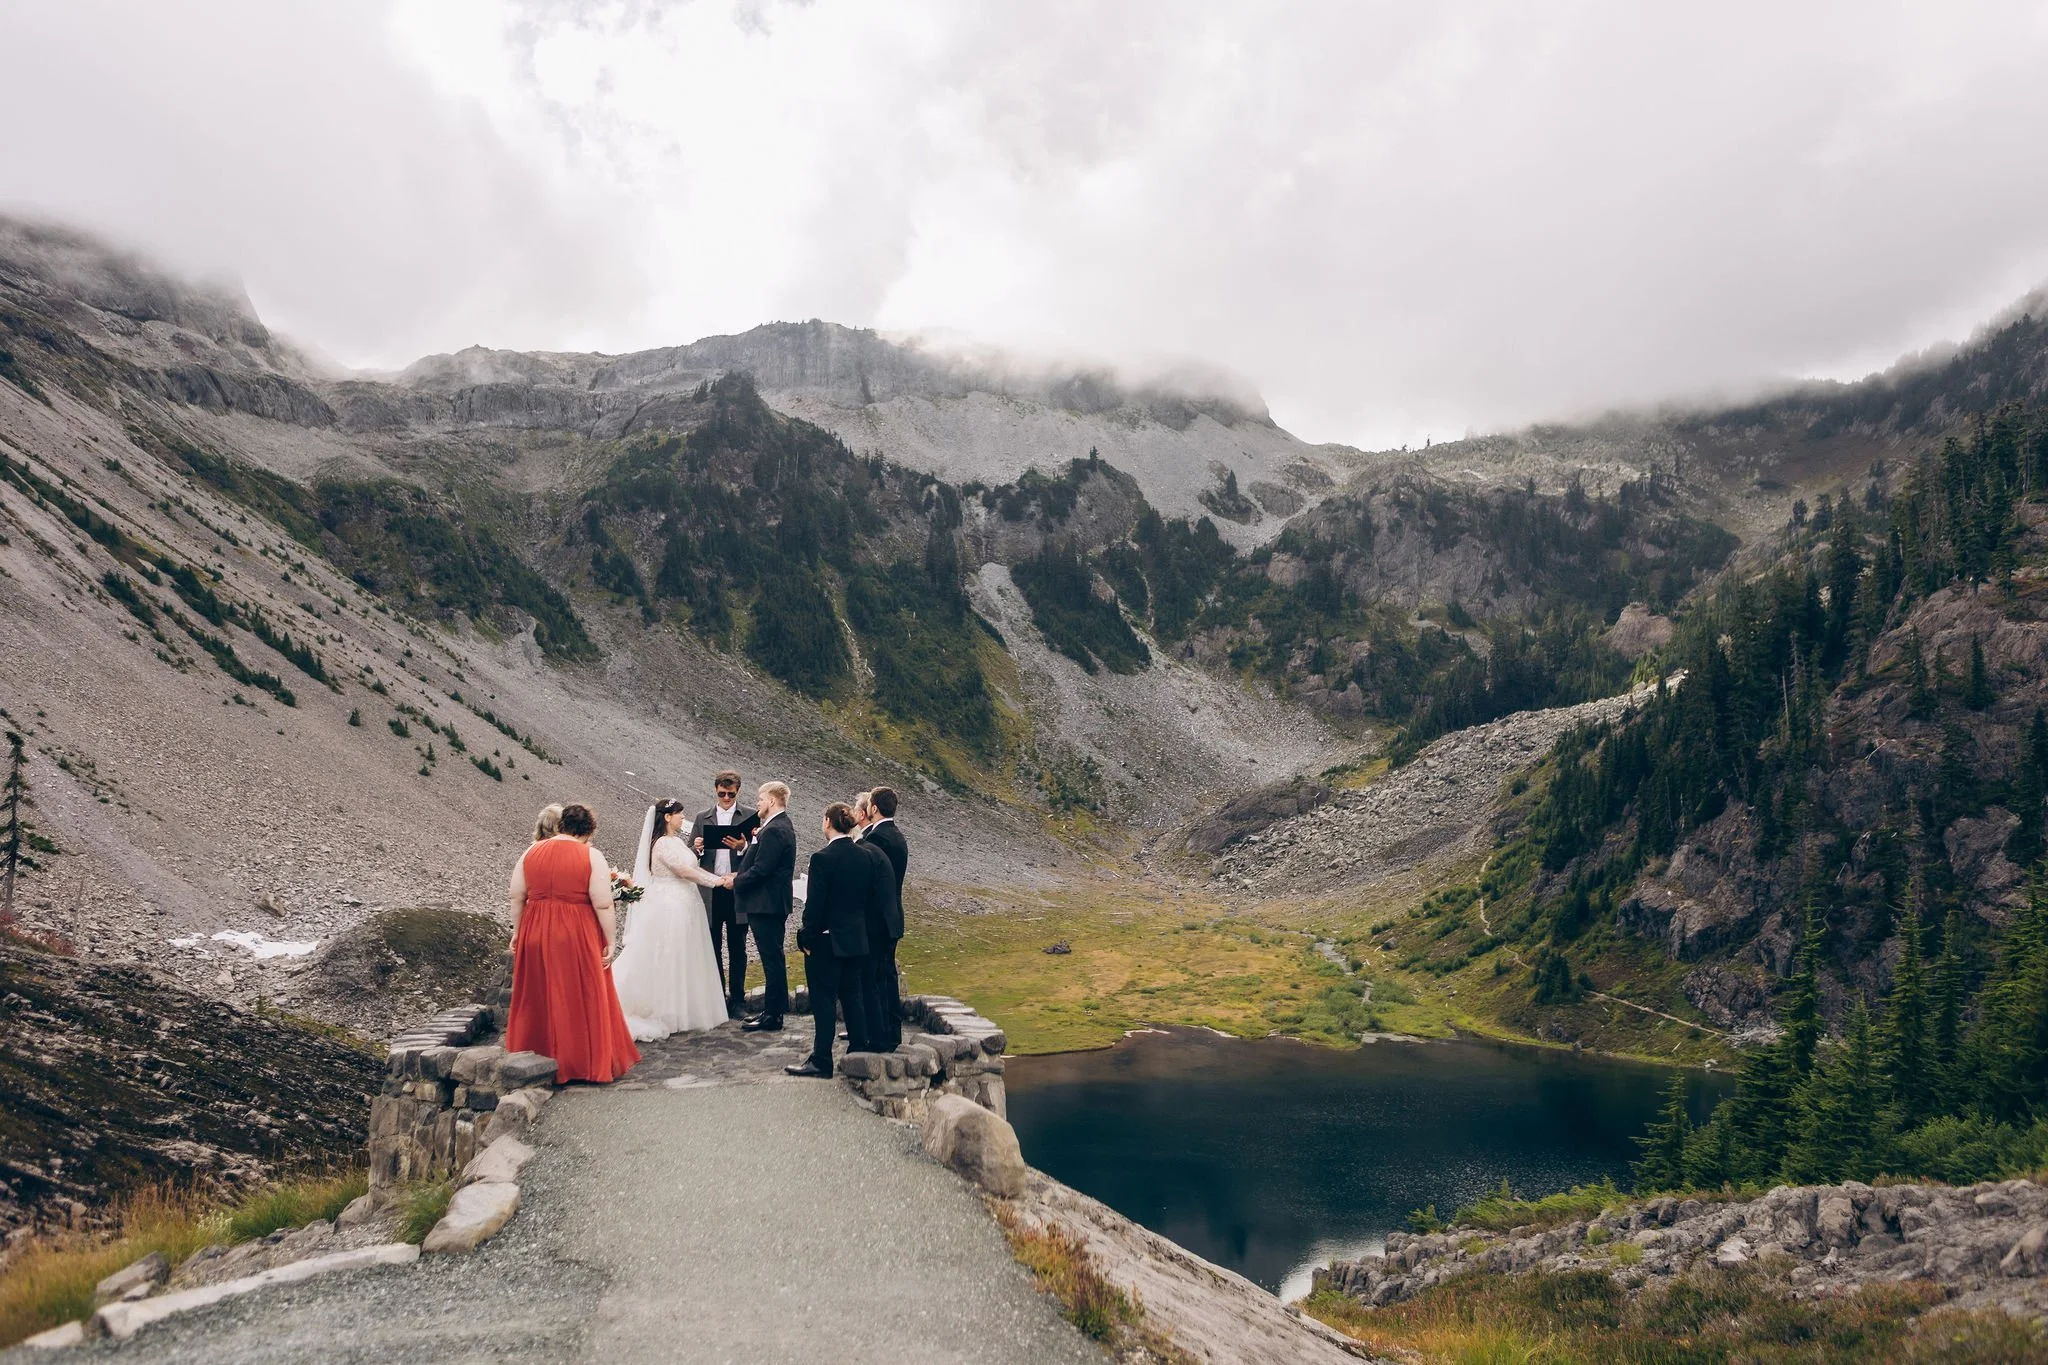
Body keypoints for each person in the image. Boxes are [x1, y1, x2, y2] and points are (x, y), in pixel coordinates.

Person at [506, 803, 640, 1083]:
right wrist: (611, 940)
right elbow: (603, 903)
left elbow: (516, 895)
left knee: (538, 992)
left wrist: (518, 931)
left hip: (536, 926)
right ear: (589, 830)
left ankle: (535, 1056)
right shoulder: (590, 855)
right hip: (576, 929)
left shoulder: (530, 851)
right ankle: (581, 1062)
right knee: (580, 992)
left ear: (562, 825)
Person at [612, 797, 729, 1040]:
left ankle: (681, 1010)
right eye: (679, 813)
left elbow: (690, 865)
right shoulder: (663, 844)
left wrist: (709, 868)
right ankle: (663, 1011)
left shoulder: (675, 841)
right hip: (669, 904)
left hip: (684, 901)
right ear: (667, 816)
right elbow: (683, 871)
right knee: (668, 955)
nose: (683, 817)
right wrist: (716, 881)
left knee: (683, 956)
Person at [786, 802, 879, 1077]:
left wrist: (806, 936)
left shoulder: (822, 858)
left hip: (827, 941)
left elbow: (815, 905)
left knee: (824, 1000)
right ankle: (859, 1052)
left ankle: (822, 1059)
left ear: (827, 822)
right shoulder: (865, 856)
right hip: (855, 938)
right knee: (853, 996)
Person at [724, 781, 794, 1032]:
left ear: (772, 801)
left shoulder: (775, 829)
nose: (758, 804)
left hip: (767, 904)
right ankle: (772, 1011)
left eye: (761, 800)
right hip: (768, 903)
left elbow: (763, 869)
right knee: (771, 957)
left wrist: (737, 881)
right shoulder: (774, 826)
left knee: (772, 958)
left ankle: (774, 1015)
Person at [690, 771, 758, 1018]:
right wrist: (697, 848)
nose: (727, 797)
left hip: (738, 889)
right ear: (715, 791)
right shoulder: (702, 817)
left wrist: (744, 847)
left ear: (738, 791)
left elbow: (759, 852)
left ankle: (738, 1000)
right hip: (711, 890)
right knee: (713, 946)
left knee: (738, 946)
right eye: (722, 793)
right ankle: (717, 996)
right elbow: (689, 854)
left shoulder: (751, 816)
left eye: (731, 794)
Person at [856, 787, 909, 1051]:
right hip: (892, 915)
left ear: (874, 808)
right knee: (886, 974)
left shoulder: (877, 839)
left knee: (877, 976)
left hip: (877, 918)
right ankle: (890, 1030)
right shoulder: (897, 835)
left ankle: (880, 1034)